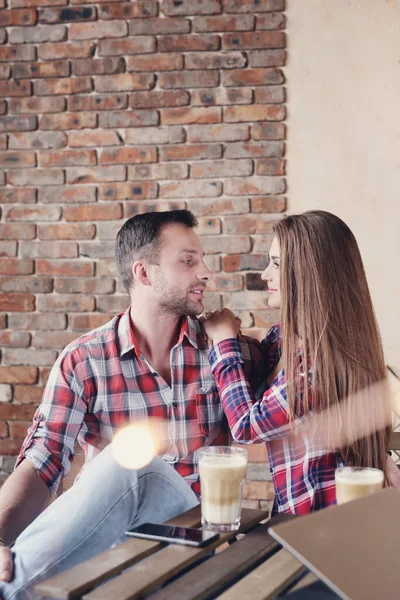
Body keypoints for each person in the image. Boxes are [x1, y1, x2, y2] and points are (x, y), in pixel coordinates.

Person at [0, 210, 263, 599]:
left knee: (133, 461)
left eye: (202, 259)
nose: (206, 272)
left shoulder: (225, 352)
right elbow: (43, 461)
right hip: (113, 553)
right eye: (188, 261)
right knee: (126, 462)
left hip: (195, 547)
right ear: (143, 273)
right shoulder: (85, 359)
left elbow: (306, 387)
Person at [202, 210, 395, 516]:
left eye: (276, 263)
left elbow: (246, 426)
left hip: (326, 530)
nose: (265, 274)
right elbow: (243, 382)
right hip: (297, 520)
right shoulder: (282, 340)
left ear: (308, 272)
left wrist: (225, 340)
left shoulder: (317, 364)